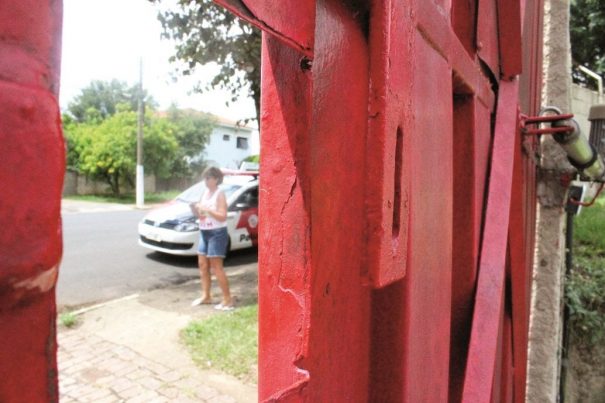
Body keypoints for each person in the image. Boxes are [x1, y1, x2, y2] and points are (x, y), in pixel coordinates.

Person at [190, 167, 234, 311]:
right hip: (205, 231)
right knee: (202, 265)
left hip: (217, 232)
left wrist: (207, 210)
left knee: (216, 267)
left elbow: (222, 216)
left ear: (216, 179)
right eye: (205, 178)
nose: (206, 181)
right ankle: (206, 296)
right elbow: (202, 215)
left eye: (209, 178)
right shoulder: (205, 193)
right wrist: (196, 210)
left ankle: (228, 299)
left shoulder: (220, 194)